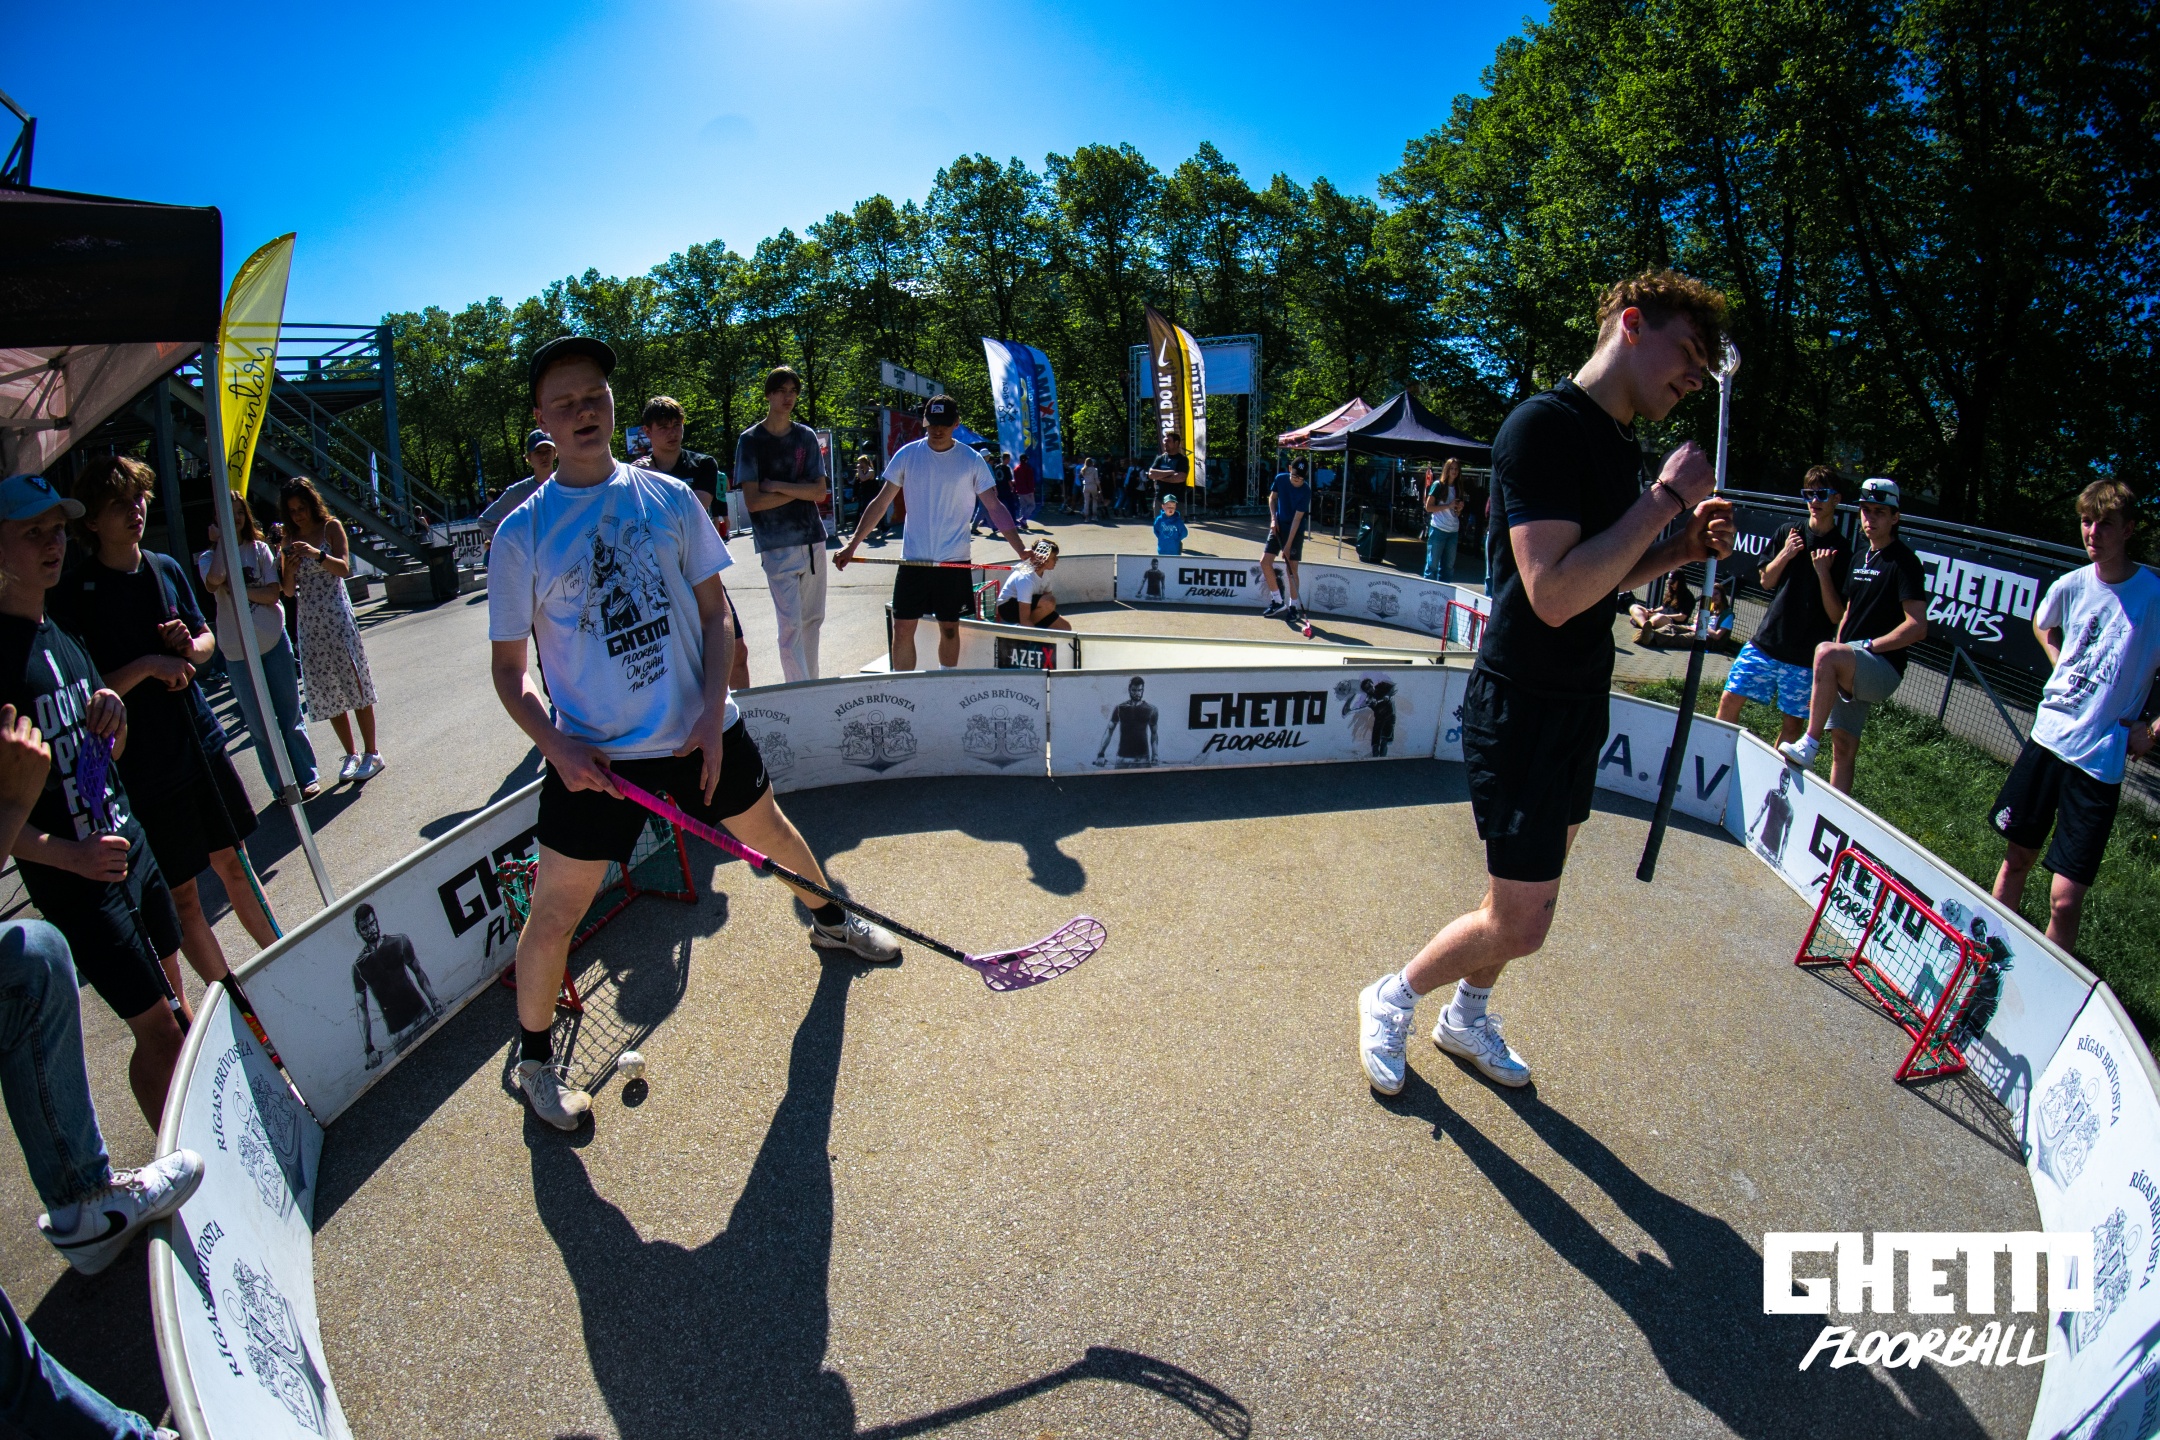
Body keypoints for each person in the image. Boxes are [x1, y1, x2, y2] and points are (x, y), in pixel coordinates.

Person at [489, 337, 901, 1130]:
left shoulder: (670, 497)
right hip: (596, 762)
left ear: (614, 404)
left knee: (772, 832)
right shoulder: (521, 535)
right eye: (565, 402)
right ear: (541, 418)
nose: (583, 412)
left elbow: (716, 617)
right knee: (556, 913)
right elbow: (512, 673)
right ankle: (536, 1063)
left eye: (594, 396)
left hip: (699, 733)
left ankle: (830, 923)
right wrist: (556, 746)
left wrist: (713, 715)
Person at [1355, 268, 1735, 1096]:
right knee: (1521, 922)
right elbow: (1553, 594)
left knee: (1525, 900)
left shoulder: (1618, 444)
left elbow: (1600, 575)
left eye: (1707, 367)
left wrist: (1678, 549)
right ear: (1631, 324)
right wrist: (1667, 499)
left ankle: (1467, 1016)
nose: (1696, 377)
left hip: (1577, 698)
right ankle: (1393, 995)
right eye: (1687, 352)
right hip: (1524, 700)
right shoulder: (1541, 427)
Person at [0, 473, 189, 1128]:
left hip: (131, 848)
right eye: (32, 533)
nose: (53, 544)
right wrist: (71, 856)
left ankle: (198, 1149)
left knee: (177, 1015)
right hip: (80, 884)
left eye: (57, 530)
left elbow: (94, 763)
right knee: (159, 1032)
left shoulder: (59, 634)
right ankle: (178, 1164)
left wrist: (113, 721)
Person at [57, 458, 276, 989]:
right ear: (92, 521)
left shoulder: (165, 567)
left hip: (199, 741)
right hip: (144, 765)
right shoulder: (77, 594)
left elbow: (206, 642)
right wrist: (150, 665)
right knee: (184, 895)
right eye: (119, 504)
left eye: (138, 498)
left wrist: (189, 646)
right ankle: (238, 1002)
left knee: (236, 863)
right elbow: (82, 693)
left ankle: (285, 960)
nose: (135, 510)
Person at [1988, 479, 2160, 950]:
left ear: (2129, 530)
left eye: (2105, 523)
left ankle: (2046, 984)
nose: (2092, 532)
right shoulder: (2073, 583)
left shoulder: (2153, 596)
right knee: (2016, 860)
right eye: (2086, 521)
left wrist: (2151, 730)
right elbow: (2042, 623)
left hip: (2098, 760)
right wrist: (2060, 663)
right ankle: (1986, 961)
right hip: (2048, 740)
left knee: (2064, 900)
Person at [837, 394, 1026, 671]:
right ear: (925, 422)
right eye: (933, 423)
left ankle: (945, 683)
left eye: (945, 424)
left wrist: (1021, 550)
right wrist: (852, 544)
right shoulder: (907, 455)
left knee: (949, 628)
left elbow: (994, 507)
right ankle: (904, 688)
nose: (938, 430)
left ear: (956, 423)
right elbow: (880, 503)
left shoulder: (972, 460)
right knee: (902, 627)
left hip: (954, 561)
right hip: (914, 560)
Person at [1776, 477, 1927, 792]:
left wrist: (1868, 646)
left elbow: (1917, 626)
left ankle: (1809, 743)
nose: (1870, 518)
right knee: (1843, 747)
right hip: (1852, 661)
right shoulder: (1860, 557)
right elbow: (1845, 614)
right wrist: (1836, 658)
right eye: (1866, 510)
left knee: (1825, 652)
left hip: (1882, 667)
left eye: (1879, 512)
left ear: (1895, 517)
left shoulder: (1906, 562)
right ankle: (1834, 812)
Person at [1716, 470, 1849, 745]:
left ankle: (1775, 772)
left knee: (1792, 726)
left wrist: (1823, 573)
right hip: (1766, 642)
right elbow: (1766, 581)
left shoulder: (1843, 550)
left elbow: (1836, 614)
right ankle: (1717, 755)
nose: (1814, 501)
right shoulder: (1788, 532)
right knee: (1729, 700)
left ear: (1836, 499)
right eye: (1808, 494)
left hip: (1805, 656)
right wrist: (1786, 553)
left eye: (1821, 494)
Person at [199, 500, 319, 798]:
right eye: (227, 514)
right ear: (216, 520)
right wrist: (222, 543)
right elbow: (214, 581)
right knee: (259, 726)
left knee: (289, 715)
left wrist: (238, 590)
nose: (236, 518)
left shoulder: (260, 549)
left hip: (273, 641)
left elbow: (272, 593)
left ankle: (306, 776)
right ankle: (281, 786)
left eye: (240, 512)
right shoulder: (208, 557)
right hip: (237, 653)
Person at [279, 478, 384, 783]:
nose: (298, 515)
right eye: (292, 510)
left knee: (355, 684)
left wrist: (316, 554)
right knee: (329, 691)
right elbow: (288, 591)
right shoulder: (288, 539)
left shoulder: (331, 527)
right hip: (309, 622)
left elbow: (344, 569)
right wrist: (289, 567)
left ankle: (372, 753)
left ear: (312, 503)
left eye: (302, 507)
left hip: (337, 617)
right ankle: (351, 754)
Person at [644, 395, 751, 693]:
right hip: (661, 579)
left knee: (737, 652)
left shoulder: (702, 464)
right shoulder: (635, 474)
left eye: (677, 425)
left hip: (701, 571)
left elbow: (693, 510)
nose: (672, 432)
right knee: (679, 664)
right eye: (663, 427)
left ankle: (745, 715)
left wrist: (653, 479)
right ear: (647, 432)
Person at [733, 366, 829, 684]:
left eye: (793, 391)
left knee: (812, 620)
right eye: (781, 391)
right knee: (790, 626)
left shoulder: (805, 436)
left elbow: (819, 492)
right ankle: (798, 692)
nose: (788, 397)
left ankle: (811, 686)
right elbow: (753, 502)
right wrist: (799, 490)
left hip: (812, 539)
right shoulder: (750, 441)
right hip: (776, 544)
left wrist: (776, 485)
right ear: (768, 395)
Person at [352, 902, 443, 1069]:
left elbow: (418, 972)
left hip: (423, 1015)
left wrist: (434, 1000)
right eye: (365, 928)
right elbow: (362, 1009)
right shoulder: (359, 967)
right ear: (359, 932)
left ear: (376, 921)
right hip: (399, 1033)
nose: (370, 929)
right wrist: (369, 1049)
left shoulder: (399, 941)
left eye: (372, 923)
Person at [480, 430, 554, 546]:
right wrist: (514, 548)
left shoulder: (570, 484)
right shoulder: (519, 492)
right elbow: (485, 522)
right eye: (538, 452)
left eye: (548, 450)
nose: (544, 456)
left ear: (555, 453)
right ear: (528, 457)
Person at [1260, 460, 1311, 620]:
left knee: (1291, 569)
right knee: (1265, 562)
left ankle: (1293, 607)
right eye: (1294, 476)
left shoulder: (1306, 491)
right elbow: (1272, 498)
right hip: (1278, 525)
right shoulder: (1280, 479)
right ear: (1289, 469)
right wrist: (1273, 519)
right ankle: (1277, 601)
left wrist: (1287, 546)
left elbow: (1297, 520)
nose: (1297, 480)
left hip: (1294, 530)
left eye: (1300, 478)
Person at [996, 540, 1072, 630]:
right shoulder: (1025, 578)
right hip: (1008, 608)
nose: (1057, 560)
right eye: (1054, 557)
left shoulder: (1047, 573)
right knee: (1048, 601)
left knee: (1065, 628)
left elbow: (1048, 603)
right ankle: (1020, 631)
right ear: (1044, 559)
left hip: (1031, 604)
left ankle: (1030, 629)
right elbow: (1025, 619)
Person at [1092, 676, 1158, 767]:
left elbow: (1154, 734)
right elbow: (1109, 731)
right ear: (1129, 690)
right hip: (1122, 759)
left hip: (1143, 759)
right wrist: (1101, 755)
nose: (1137, 693)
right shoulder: (1120, 708)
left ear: (1143, 690)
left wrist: (1155, 755)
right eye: (1134, 690)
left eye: (1139, 690)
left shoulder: (1151, 709)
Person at [1422, 458, 1466, 581]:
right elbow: (1428, 507)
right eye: (1451, 468)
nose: (1454, 471)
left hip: (1453, 531)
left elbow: (1456, 513)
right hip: (1438, 529)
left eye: (1456, 469)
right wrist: (1448, 505)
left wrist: (1459, 508)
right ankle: (1428, 589)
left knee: (1448, 567)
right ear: (1446, 470)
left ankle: (1444, 590)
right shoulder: (1438, 485)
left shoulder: (1458, 488)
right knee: (1432, 565)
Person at [1627, 571, 1696, 642]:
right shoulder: (1671, 592)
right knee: (1635, 607)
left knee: (1657, 618)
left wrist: (1663, 615)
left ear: (1680, 581)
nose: (1671, 585)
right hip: (1659, 616)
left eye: (1673, 583)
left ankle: (1642, 623)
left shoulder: (1688, 597)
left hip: (1672, 622)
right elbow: (1663, 607)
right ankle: (1645, 626)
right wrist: (1653, 611)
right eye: (1670, 583)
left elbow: (1682, 617)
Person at [1011, 450, 1038, 531]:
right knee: (1032, 505)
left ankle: (1023, 523)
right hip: (1028, 490)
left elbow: (1016, 480)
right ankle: (1023, 518)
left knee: (1023, 506)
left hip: (1019, 490)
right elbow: (1030, 480)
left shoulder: (1016, 469)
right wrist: (1032, 489)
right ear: (1026, 460)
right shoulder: (1028, 469)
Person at [1077, 455, 1102, 522]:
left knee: (1086, 501)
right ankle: (1094, 516)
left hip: (1086, 485)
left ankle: (1086, 517)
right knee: (1094, 500)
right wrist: (1099, 488)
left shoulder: (1083, 470)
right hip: (1093, 485)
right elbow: (1096, 480)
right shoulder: (1095, 470)